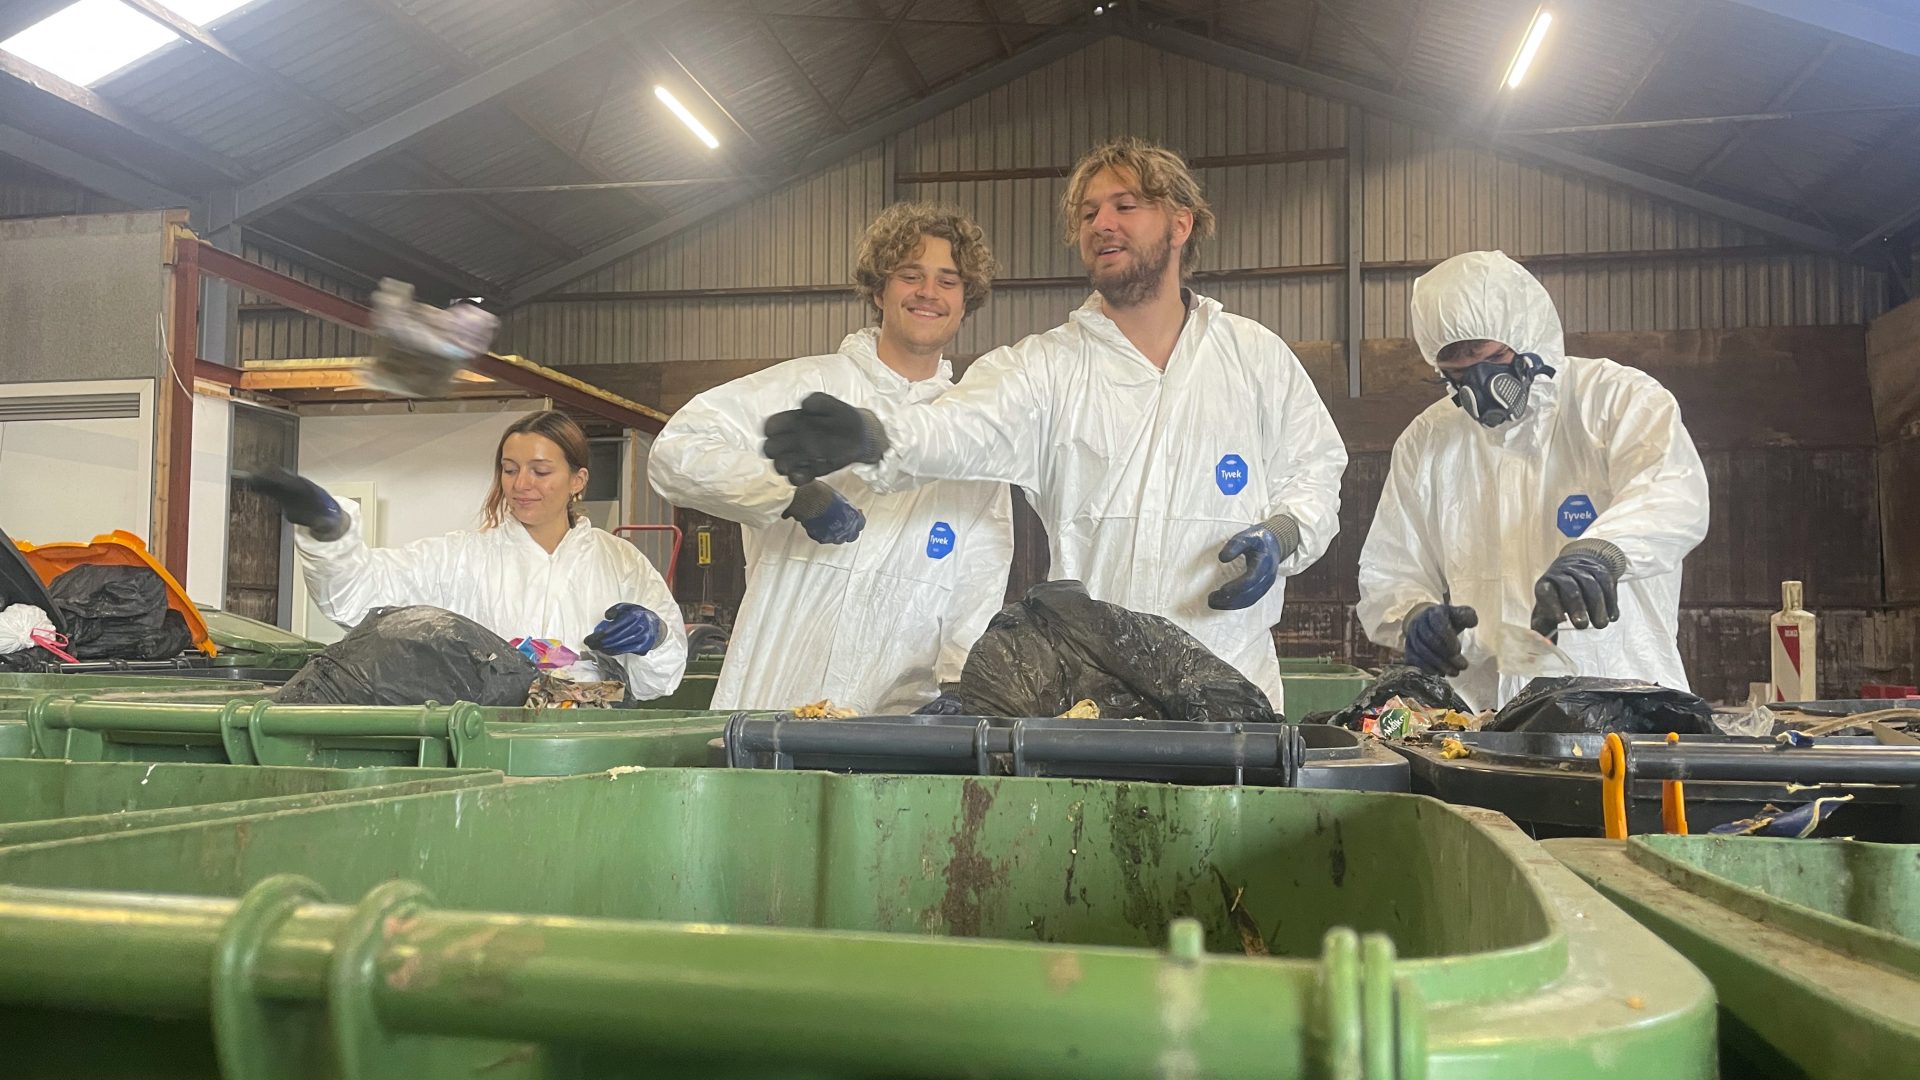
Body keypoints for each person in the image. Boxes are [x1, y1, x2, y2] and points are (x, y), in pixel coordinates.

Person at [761, 137, 1347, 711]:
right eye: (1088, 212)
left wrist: (1286, 533)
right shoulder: (1047, 369)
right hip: (1096, 699)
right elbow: (958, 429)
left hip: (1232, 686)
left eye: (1125, 205)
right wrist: (875, 434)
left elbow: (1315, 467)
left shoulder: (1254, 357)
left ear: (1180, 225)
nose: (1101, 223)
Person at [648, 202, 1013, 714]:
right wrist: (791, 493)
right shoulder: (809, 386)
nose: (929, 292)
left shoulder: (966, 429)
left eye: (948, 281)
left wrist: (960, 690)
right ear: (880, 289)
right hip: (775, 696)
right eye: (911, 275)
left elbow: (981, 575)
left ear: (966, 299)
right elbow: (676, 451)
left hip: (899, 719)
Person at [1356, 250, 1709, 711]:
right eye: (1457, 366)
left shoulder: (1615, 400)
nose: (1479, 383)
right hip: (1487, 718)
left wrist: (1601, 551)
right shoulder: (1429, 439)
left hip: (1623, 700)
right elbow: (1391, 566)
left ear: (1527, 335)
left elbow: (1673, 493)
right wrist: (1414, 614)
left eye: (1489, 353)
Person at [247, 409, 687, 699]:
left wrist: (658, 637)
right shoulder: (462, 557)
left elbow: (660, 681)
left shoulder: (621, 562)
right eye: (510, 470)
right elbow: (358, 594)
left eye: (540, 471)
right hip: (488, 744)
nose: (520, 485)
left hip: (593, 745)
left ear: (578, 480)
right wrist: (329, 531)